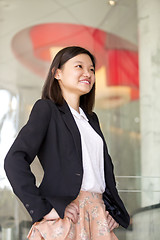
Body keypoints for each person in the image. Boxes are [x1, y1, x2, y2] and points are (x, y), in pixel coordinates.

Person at [4, 46, 130, 240]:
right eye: (79, 66)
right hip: (66, 216)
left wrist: (112, 209)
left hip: (98, 217)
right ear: (57, 73)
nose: (87, 73)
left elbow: (101, 171)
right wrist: (42, 208)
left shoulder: (91, 120)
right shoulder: (47, 109)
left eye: (91, 69)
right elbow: (14, 160)